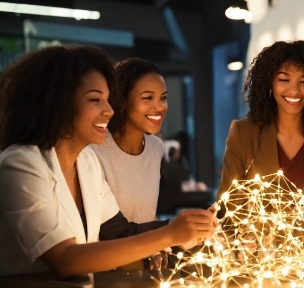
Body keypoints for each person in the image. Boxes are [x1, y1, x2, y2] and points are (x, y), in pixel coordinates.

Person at [0, 45, 216, 277]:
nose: (110, 110)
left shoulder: (86, 162)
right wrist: (170, 234)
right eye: (95, 99)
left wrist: (191, 226)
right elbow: (65, 259)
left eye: (107, 99)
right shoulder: (20, 163)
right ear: (57, 102)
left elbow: (120, 232)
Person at [217, 40, 304, 220]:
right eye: (284, 79)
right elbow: (229, 206)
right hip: (257, 245)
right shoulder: (243, 133)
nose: (294, 90)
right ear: (269, 83)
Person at [89, 58, 166, 224]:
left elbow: (147, 216)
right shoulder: (95, 150)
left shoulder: (156, 147)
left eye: (163, 97)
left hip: (155, 248)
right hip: (113, 249)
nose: (159, 106)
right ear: (122, 101)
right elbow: (105, 230)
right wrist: (169, 231)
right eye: (147, 98)